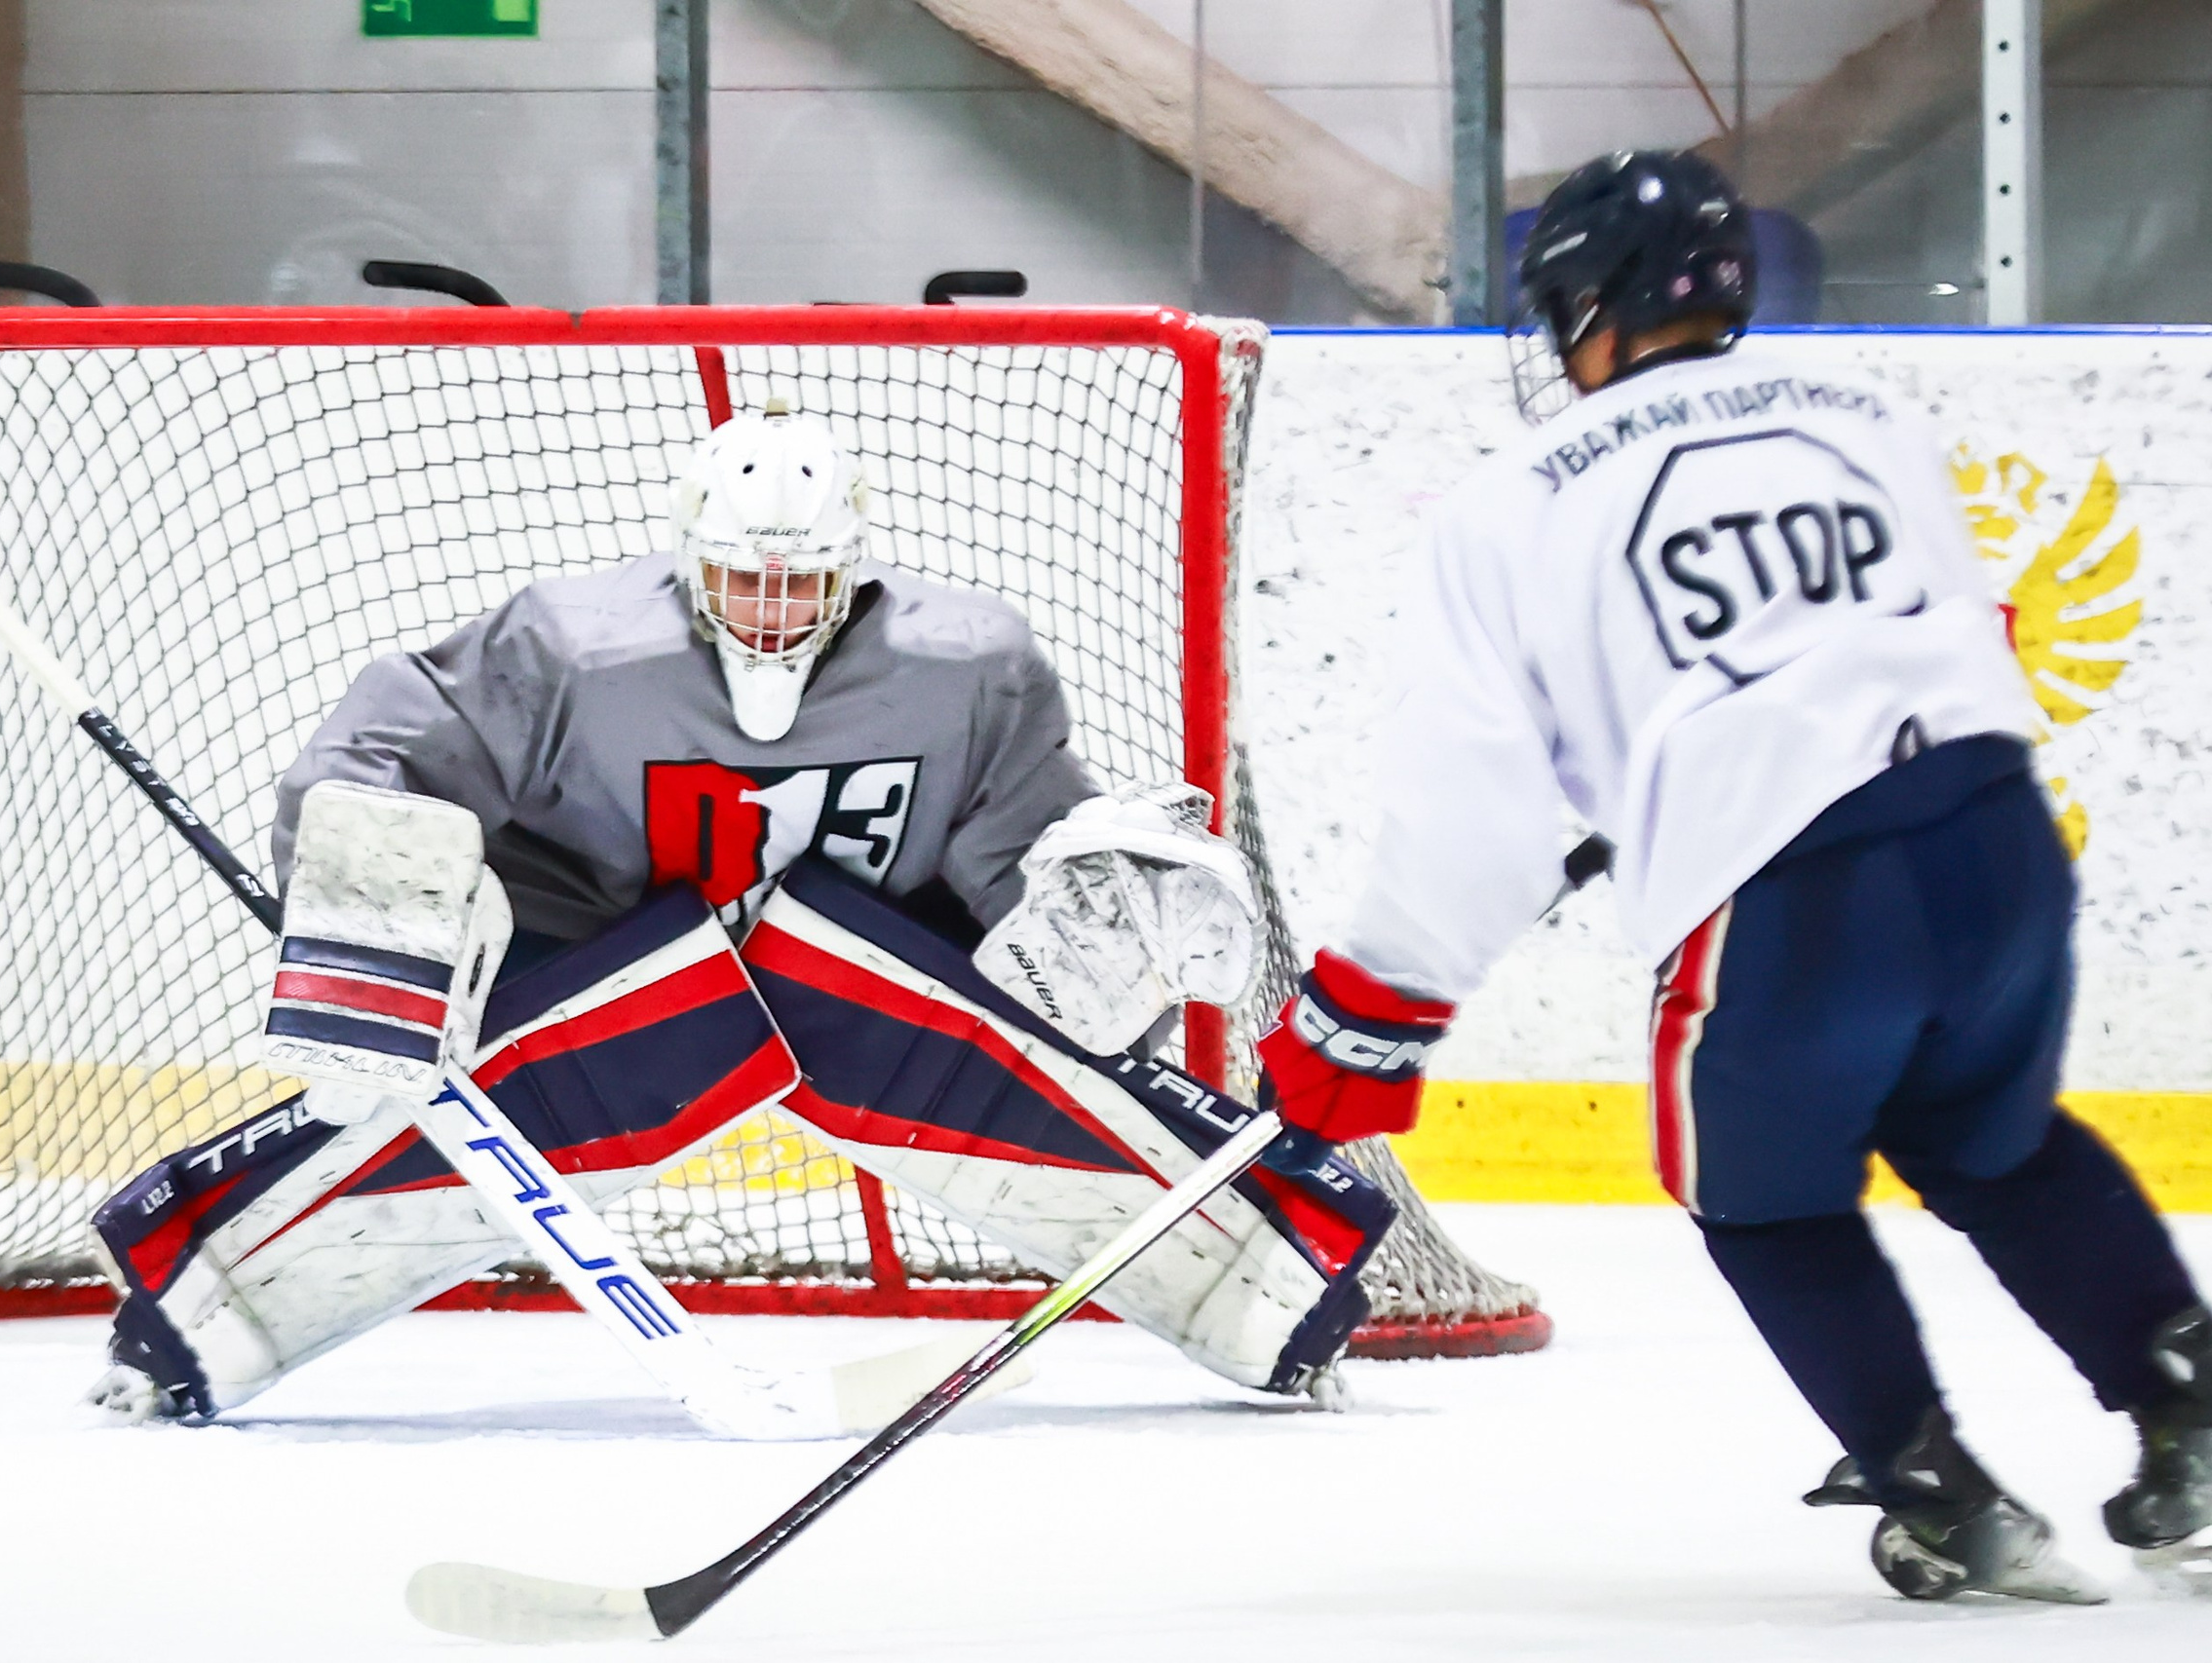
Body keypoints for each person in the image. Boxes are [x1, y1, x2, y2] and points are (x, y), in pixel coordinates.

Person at [1252, 149, 2210, 1602]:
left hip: (1798, 898)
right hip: (1997, 838)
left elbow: (1471, 807)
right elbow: (1931, 627)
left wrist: (1370, 1014)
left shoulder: (1509, 502)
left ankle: (1939, 1491)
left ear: (1592, 309)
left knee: (1758, 1197)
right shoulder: (1862, 408)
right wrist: (1656, 766)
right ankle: (2187, 1395)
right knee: (1992, 1141)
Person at [83, 400, 1392, 1426]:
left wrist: (1094, 944)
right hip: (608, 959)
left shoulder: (972, 666)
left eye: (801, 584)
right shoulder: (571, 645)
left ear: (855, 567)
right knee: (460, 1103)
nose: (772, 612)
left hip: (854, 973)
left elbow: (1022, 872)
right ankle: (193, 1312)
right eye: (741, 581)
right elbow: (379, 761)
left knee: (1001, 1062)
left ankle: (1277, 1288)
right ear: (687, 558)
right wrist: (372, 901)